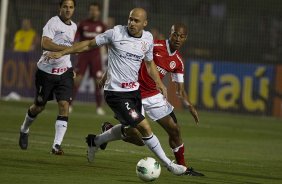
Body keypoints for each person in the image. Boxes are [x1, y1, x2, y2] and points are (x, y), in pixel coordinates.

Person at [48, 8, 187, 175]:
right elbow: (88, 44)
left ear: (145, 23)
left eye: (136, 21)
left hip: (134, 92)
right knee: (145, 128)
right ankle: (169, 165)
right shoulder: (115, 33)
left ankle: (96, 141)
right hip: (116, 93)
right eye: (130, 19)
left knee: (137, 137)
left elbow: (149, 64)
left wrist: (159, 83)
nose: (132, 23)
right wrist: (63, 51)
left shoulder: (148, 38)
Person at [100, 23, 204, 176]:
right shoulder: (154, 44)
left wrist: (189, 105)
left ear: (185, 38)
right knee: (139, 138)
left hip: (154, 96)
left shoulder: (178, 62)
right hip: (133, 93)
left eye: (181, 36)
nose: (177, 39)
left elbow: (180, 89)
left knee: (175, 130)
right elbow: (125, 55)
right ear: (171, 33)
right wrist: (107, 73)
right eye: (175, 34)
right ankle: (109, 131)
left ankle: (183, 168)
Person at [18, 0, 77, 155]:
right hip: (46, 73)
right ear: (60, 8)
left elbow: (68, 51)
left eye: (71, 7)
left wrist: (70, 66)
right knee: (39, 106)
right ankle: (24, 129)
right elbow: (45, 44)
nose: (68, 10)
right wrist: (67, 49)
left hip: (64, 73)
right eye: (65, 7)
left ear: (74, 9)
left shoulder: (74, 26)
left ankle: (56, 145)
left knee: (64, 105)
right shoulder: (53, 22)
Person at [71, 2, 106, 115]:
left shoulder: (102, 25)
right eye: (91, 10)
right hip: (83, 55)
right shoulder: (82, 23)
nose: (93, 12)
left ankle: (99, 107)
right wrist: (75, 48)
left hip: (96, 56)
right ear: (89, 11)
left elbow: (107, 41)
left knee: (98, 82)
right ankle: (70, 105)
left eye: (95, 10)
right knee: (77, 80)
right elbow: (75, 37)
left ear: (99, 12)